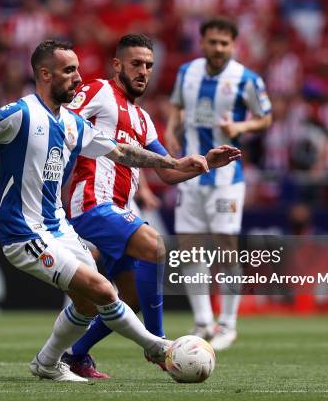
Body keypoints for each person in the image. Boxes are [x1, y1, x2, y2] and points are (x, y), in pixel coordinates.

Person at [0, 39, 212, 382]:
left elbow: (124, 152)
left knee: (85, 302)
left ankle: (48, 362)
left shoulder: (72, 124)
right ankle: (157, 346)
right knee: (103, 290)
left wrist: (175, 162)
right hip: (24, 233)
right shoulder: (19, 113)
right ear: (44, 74)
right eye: (69, 71)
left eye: (78, 70)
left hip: (59, 229)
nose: (78, 78)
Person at [60, 34, 241, 378]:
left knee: (130, 299)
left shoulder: (143, 119)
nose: (144, 71)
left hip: (118, 208)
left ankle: (75, 355)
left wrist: (207, 162)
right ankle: (158, 344)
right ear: (117, 65)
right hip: (91, 204)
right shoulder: (98, 91)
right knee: (156, 246)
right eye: (136, 64)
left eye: (148, 66)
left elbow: (168, 169)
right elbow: (62, 121)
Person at [165, 17, 273, 350]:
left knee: (226, 245)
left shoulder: (246, 79)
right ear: (203, 42)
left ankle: (228, 323)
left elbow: (266, 117)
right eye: (212, 42)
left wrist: (241, 129)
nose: (218, 48)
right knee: (189, 247)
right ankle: (203, 323)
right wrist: (171, 131)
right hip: (191, 173)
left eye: (224, 43)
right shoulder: (187, 73)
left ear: (233, 45)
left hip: (227, 178)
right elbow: (176, 108)